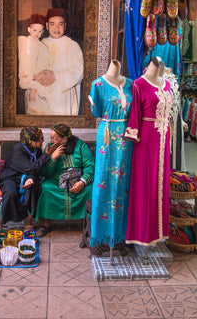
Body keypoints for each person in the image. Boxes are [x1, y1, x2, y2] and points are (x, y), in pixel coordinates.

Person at [124, 56, 172, 246]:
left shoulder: (167, 84)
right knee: (145, 184)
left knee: (161, 185)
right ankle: (142, 233)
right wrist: (133, 133)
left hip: (164, 139)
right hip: (146, 141)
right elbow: (135, 112)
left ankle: (159, 232)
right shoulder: (138, 84)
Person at [88, 60, 134, 256]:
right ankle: (99, 239)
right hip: (107, 134)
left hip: (126, 136)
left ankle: (120, 237)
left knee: (124, 185)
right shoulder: (97, 84)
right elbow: (96, 112)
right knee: (103, 183)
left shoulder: (131, 84)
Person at [0, 126, 58, 231]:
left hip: (27, 176)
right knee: (10, 194)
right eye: (40, 140)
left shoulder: (36, 150)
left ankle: (28, 223)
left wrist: (30, 178)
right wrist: (47, 154)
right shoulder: (17, 150)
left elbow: (36, 169)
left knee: (33, 190)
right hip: (11, 178)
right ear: (32, 142)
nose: (42, 142)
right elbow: (31, 167)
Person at [35, 124, 95, 237]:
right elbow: (45, 172)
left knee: (89, 189)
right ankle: (45, 225)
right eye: (51, 137)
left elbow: (89, 165)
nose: (52, 140)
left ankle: (88, 224)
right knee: (45, 188)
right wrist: (53, 158)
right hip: (55, 180)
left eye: (55, 138)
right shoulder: (49, 147)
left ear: (65, 138)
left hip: (77, 178)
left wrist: (82, 182)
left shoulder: (80, 145)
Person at [33, 8, 84, 115]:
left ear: (65, 26)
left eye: (60, 24)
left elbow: (78, 72)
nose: (56, 28)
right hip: (43, 98)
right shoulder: (39, 45)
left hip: (64, 98)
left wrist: (55, 75)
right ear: (47, 26)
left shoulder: (72, 46)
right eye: (52, 24)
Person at [18, 13, 53, 114]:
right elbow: (25, 61)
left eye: (40, 31)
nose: (37, 33)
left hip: (39, 76)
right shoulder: (24, 42)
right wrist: (30, 77)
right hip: (28, 76)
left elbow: (44, 62)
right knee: (33, 91)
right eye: (34, 30)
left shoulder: (42, 46)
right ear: (29, 29)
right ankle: (32, 109)